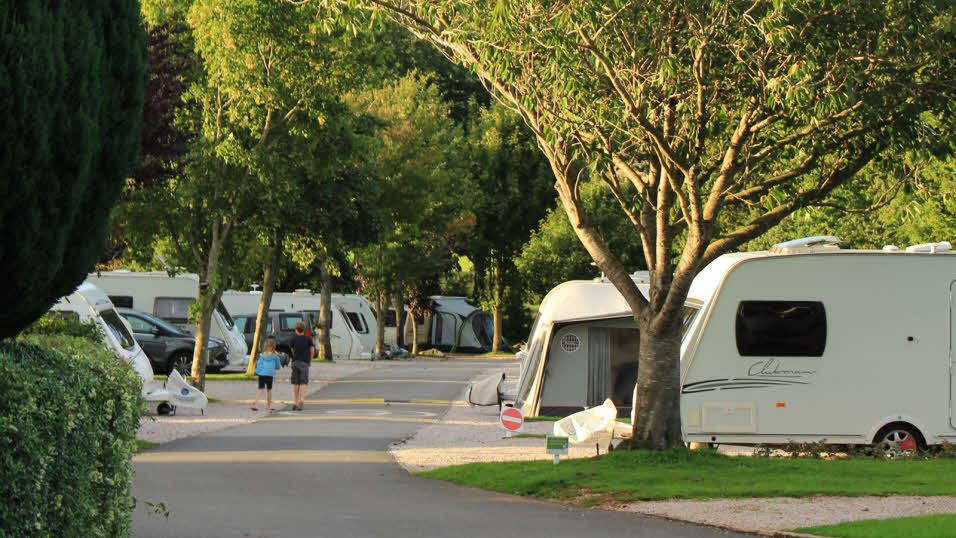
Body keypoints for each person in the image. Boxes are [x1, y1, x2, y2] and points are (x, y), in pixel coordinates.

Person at [289, 320, 315, 411]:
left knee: (296, 383)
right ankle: (302, 399)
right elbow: (312, 351)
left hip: (295, 362)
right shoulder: (308, 339)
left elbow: (292, 350)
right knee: (304, 382)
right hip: (305, 362)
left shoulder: (293, 339)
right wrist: (310, 361)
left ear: (296, 330)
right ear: (304, 329)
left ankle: (295, 401)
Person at [252, 337, 283, 412]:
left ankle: (255, 402)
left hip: (262, 374)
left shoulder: (261, 355)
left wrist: (257, 371)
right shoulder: (275, 357)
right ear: (274, 346)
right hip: (269, 374)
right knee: (269, 390)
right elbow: (278, 366)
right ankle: (268, 406)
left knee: (261, 389)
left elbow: (259, 364)